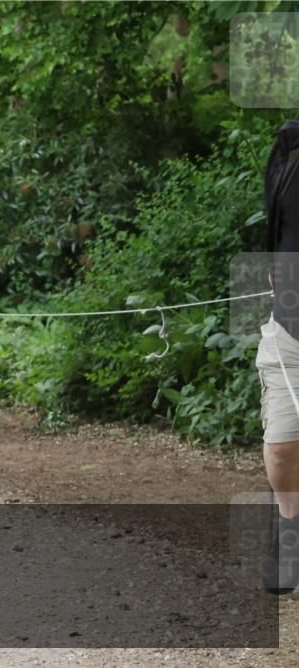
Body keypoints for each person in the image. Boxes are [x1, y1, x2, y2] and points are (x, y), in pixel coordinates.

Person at [258, 119, 299, 595]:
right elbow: (275, 217)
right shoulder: (291, 142)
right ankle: (290, 529)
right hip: (290, 324)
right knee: (283, 447)